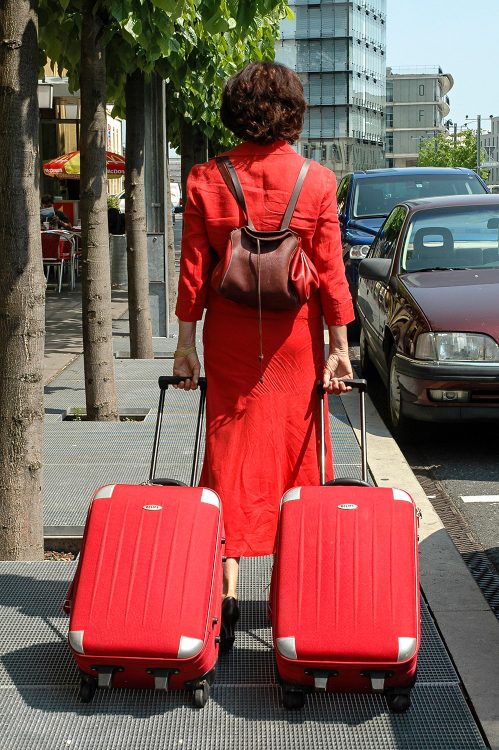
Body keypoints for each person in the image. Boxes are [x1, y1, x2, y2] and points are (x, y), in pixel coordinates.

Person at [173, 61, 355, 653]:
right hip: (295, 344)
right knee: (297, 462)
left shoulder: (206, 178)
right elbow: (330, 273)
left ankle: (222, 604)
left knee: (226, 460)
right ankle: (289, 599)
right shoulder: (318, 182)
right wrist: (340, 349)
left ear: (235, 110)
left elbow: (195, 273)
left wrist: (184, 348)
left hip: (227, 341)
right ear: (292, 113)